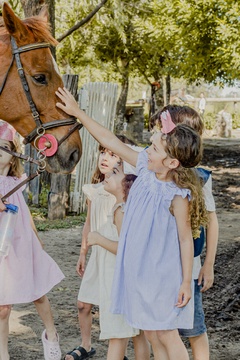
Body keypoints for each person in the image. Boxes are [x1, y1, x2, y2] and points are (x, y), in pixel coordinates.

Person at [55, 87, 209, 360]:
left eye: (154, 148)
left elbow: (186, 240)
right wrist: (78, 113)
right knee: (150, 332)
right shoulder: (143, 167)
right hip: (139, 270)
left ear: (172, 162)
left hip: (162, 274)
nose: (147, 150)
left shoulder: (177, 195)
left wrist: (186, 281)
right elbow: (109, 139)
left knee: (166, 334)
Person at [65, 144, 149, 360]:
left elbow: (126, 245)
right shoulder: (96, 190)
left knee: (125, 328)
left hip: (115, 259)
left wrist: (100, 240)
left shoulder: (121, 200)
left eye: (113, 156)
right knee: (85, 304)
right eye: (103, 152)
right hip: (100, 256)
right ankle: (88, 345)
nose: (105, 158)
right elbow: (89, 223)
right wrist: (84, 252)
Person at [153, 105, 219, 360]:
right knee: (159, 330)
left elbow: (211, 221)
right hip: (158, 264)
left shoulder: (201, 178)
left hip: (187, 266)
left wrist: (209, 264)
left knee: (193, 327)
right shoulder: (153, 173)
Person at [0, 121, 64, 360]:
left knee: (38, 292)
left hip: (21, 245)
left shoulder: (17, 182)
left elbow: (25, 215)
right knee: (3, 308)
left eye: (4, 146)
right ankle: (3, 353)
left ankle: (51, 335)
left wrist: (36, 240)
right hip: (1, 249)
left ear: (13, 154)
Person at [86, 159, 150, 360]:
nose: (108, 175)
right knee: (139, 334)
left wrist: (98, 238)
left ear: (128, 183)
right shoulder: (124, 208)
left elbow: (126, 249)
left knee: (117, 335)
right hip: (127, 281)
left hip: (117, 283)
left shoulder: (121, 210)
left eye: (115, 172)